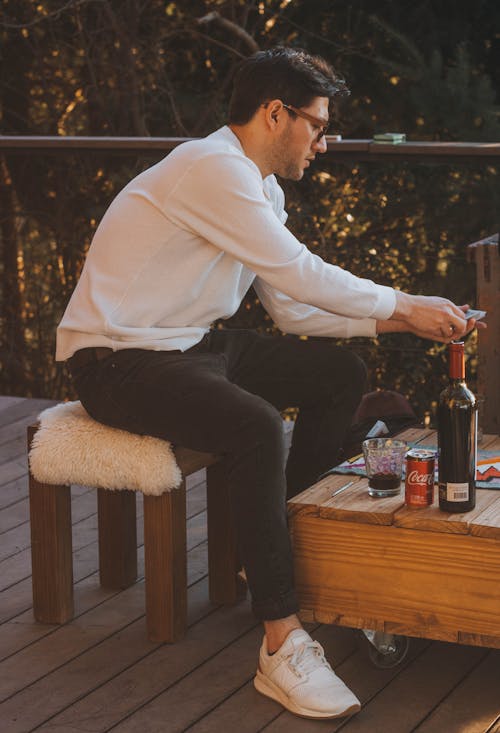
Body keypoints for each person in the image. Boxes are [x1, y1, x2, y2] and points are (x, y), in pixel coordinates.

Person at [56, 47, 480, 719]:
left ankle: (286, 542)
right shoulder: (213, 168)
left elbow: (292, 308)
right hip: (115, 360)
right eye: (317, 125)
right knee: (256, 423)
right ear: (274, 113)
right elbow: (303, 272)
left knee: (338, 371)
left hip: (191, 347)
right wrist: (404, 301)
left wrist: (402, 325)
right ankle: (280, 642)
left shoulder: (259, 186)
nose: (324, 141)